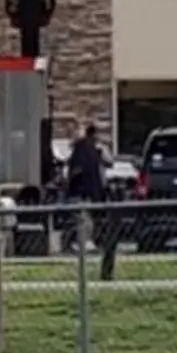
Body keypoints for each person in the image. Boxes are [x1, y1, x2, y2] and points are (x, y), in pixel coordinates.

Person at [64, 115, 121, 279]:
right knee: (84, 220)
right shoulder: (90, 149)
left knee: (85, 220)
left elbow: (81, 171)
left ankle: (84, 243)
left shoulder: (85, 149)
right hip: (88, 192)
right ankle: (83, 243)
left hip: (84, 192)